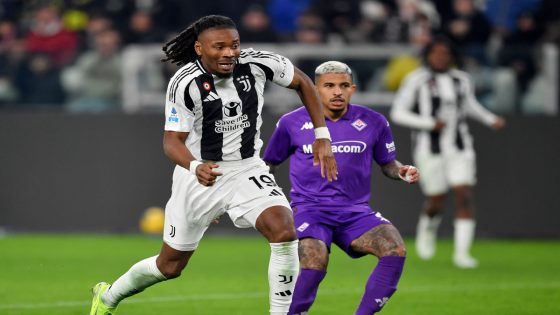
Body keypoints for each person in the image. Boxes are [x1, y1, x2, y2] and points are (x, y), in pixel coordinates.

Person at [89, 15, 337, 315]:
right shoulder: (184, 83)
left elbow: (303, 82)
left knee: (284, 231)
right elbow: (171, 141)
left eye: (234, 45)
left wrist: (321, 134)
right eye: (219, 47)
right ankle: (108, 296)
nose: (229, 53)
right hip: (198, 175)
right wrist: (195, 167)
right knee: (169, 266)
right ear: (199, 48)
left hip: (246, 169)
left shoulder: (259, 63)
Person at [263, 61, 420, 315]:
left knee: (395, 248)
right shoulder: (291, 122)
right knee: (315, 262)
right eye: (329, 86)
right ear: (314, 89)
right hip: (309, 210)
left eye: (344, 85)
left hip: (355, 212)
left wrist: (401, 171)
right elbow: (269, 163)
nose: (337, 91)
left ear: (353, 89)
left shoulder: (374, 121)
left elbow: (388, 163)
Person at [390, 37, 505, 269]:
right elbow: (398, 113)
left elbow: (469, 105)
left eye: (445, 53)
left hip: (460, 147)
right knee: (436, 199)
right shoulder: (416, 79)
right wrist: (430, 123)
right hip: (429, 148)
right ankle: (427, 229)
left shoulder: (461, 79)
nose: (440, 57)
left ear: (451, 55)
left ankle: (462, 254)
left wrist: (490, 119)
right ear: (428, 55)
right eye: (436, 52)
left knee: (464, 194)